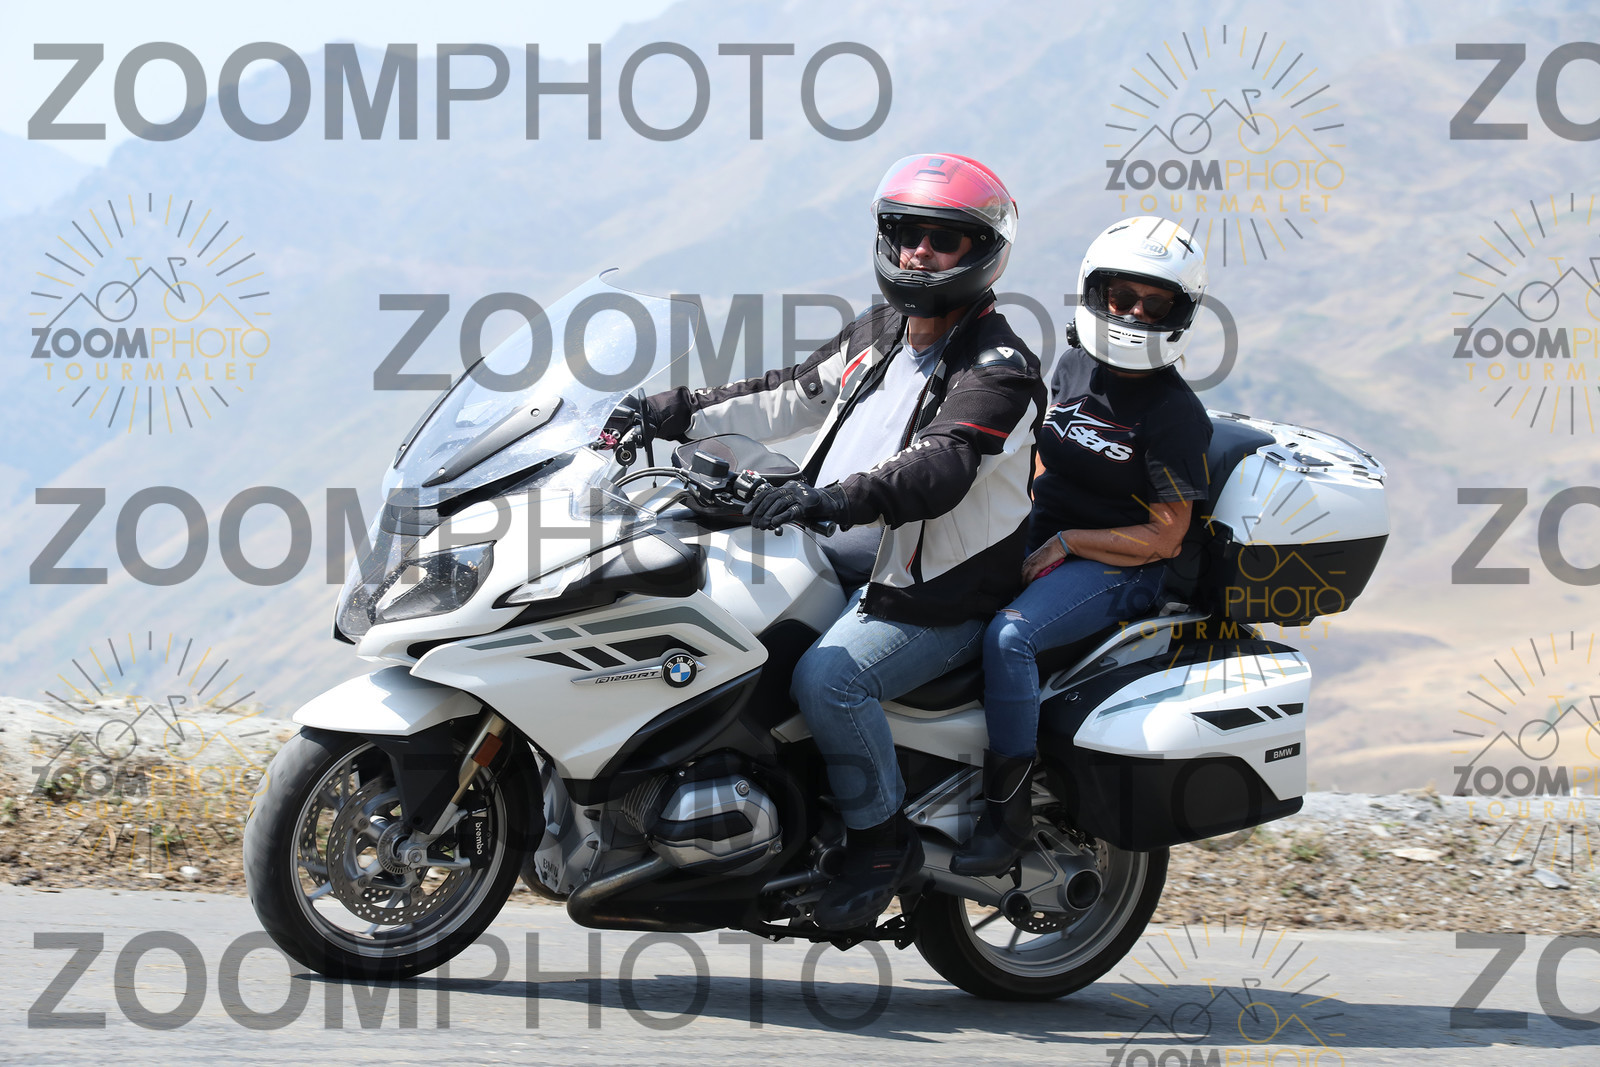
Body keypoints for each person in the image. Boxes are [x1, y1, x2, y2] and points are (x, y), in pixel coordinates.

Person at [639, 154, 1046, 929]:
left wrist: (827, 499)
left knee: (829, 679)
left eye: (943, 239)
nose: (919, 251)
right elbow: (790, 394)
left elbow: (939, 467)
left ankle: (881, 841)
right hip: (834, 554)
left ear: (983, 251)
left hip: (933, 592)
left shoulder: (1000, 367)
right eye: (905, 232)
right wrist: (672, 409)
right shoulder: (882, 329)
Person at [951, 217, 1214, 876]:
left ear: (1180, 314)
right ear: (1095, 294)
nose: (1133, 314)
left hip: (1124, 565)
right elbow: (1045, 456)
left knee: (1010, 636)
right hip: (1048, 530)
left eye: (1154, 304)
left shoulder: (1176, 415)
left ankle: (1007, 811)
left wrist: (1068, 542)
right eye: (1120, 297)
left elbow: (1167, 536)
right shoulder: (1073, 364)